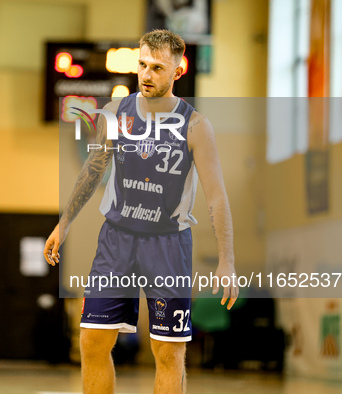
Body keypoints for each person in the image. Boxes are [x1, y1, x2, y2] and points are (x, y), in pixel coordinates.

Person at [44, 29, 238, 393]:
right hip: (116, 240)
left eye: (158, 68)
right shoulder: (116, 113)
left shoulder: (196, 126)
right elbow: (93, 169)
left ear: (178, 71)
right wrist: (65, 223)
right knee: (92, 342)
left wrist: (226, 260)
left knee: (168, 353)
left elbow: (217, 197)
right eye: (143, 65)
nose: (147, 75)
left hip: (168, 244)